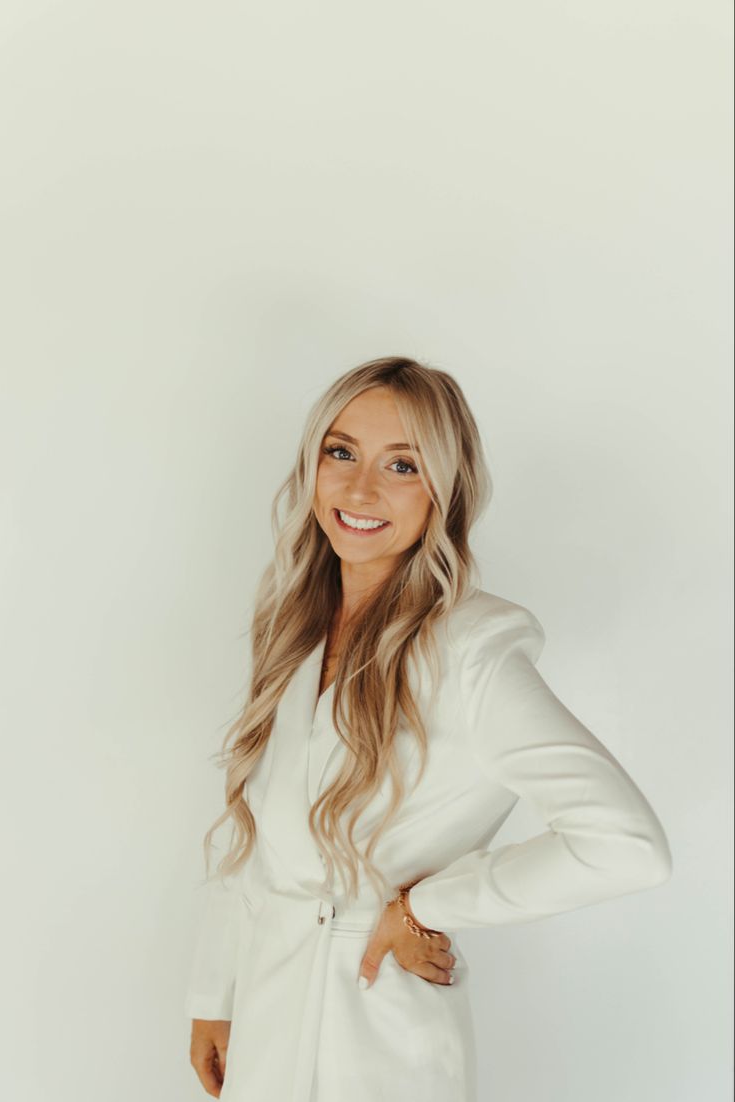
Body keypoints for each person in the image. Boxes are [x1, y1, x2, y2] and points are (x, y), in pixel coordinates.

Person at [184, 356, 672, 1102]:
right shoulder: (296, 629)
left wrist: (428, 907)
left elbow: (625, 846)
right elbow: (251, 829)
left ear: (444, 492)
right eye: (340, 452)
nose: (359, 488)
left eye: (402, 465)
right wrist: (213, 994)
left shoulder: (471, 652)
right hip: (267, 1013)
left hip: (382, 1031)